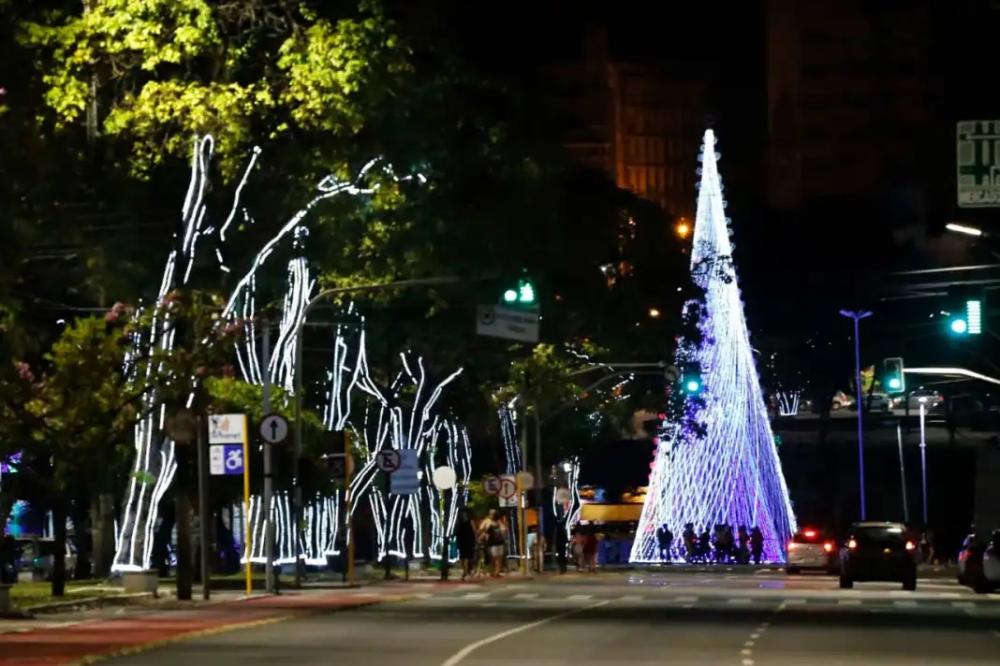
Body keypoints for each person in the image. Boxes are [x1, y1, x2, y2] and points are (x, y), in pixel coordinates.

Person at [479, 509, 507, 578]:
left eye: (494, 514)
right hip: (491, 542)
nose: (493, 516)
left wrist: (503, 535)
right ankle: (493, 571)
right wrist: (482, 537)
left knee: (499, 557)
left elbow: (503, 530)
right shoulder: (487, 521)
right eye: (492, 514)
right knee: (493, 558)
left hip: (499, 542)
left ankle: (497, 572)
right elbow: (482, 529)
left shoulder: (499, 522)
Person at [455, 509, 477, 580]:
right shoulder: (468, 517)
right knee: (467, 556)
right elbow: (473, 528)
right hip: (467, 538)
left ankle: (465, 571)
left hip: (462, 538)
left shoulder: (459, 516)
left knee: (463, 556)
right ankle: (466, 572)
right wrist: (476, 536)